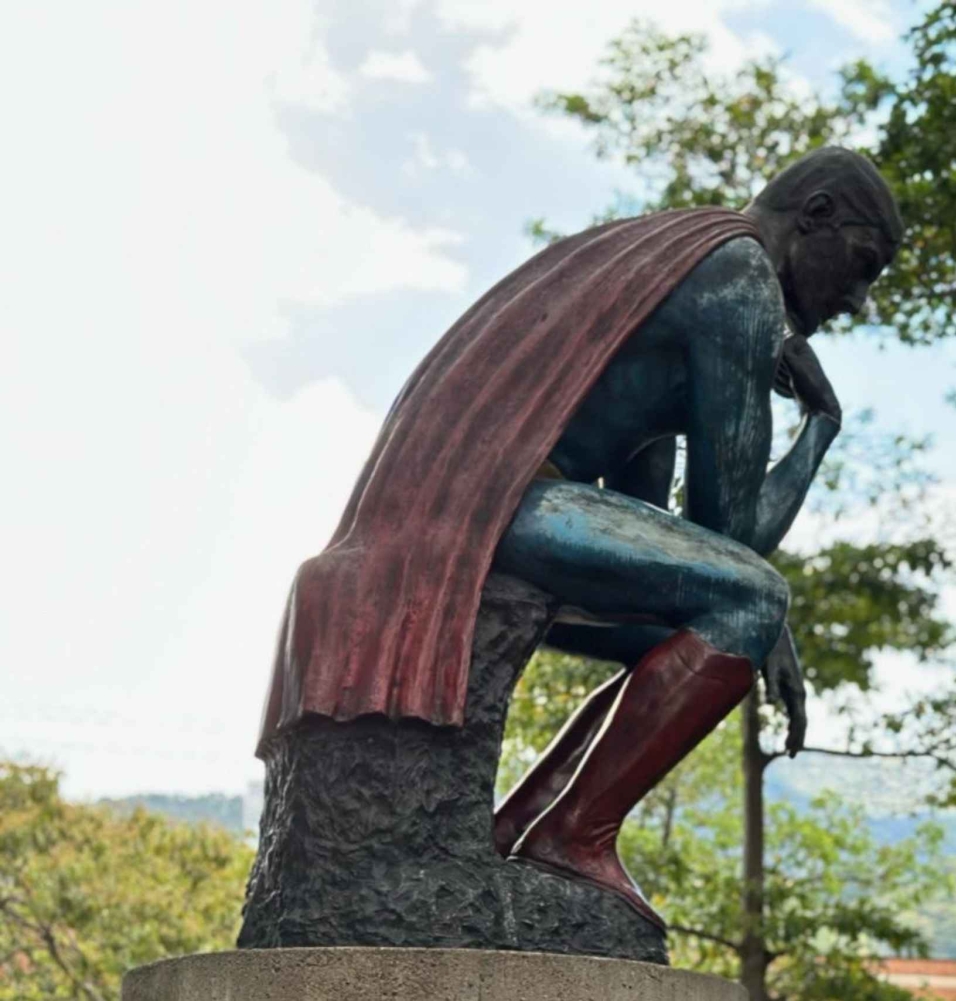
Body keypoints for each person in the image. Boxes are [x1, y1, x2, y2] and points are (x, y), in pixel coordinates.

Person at [257, 147, 902, 930]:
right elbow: (734, 539)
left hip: (464, 505)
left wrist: (771, 634)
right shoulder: (739, 279)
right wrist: (820, 427)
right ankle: (575, 835)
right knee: (754, 600)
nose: (858, 300)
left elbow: (666, 539)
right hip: (493, 507)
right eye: (862, 267)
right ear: (818, 215)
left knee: (694, 631)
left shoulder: (681, 261)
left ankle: (519, 827)